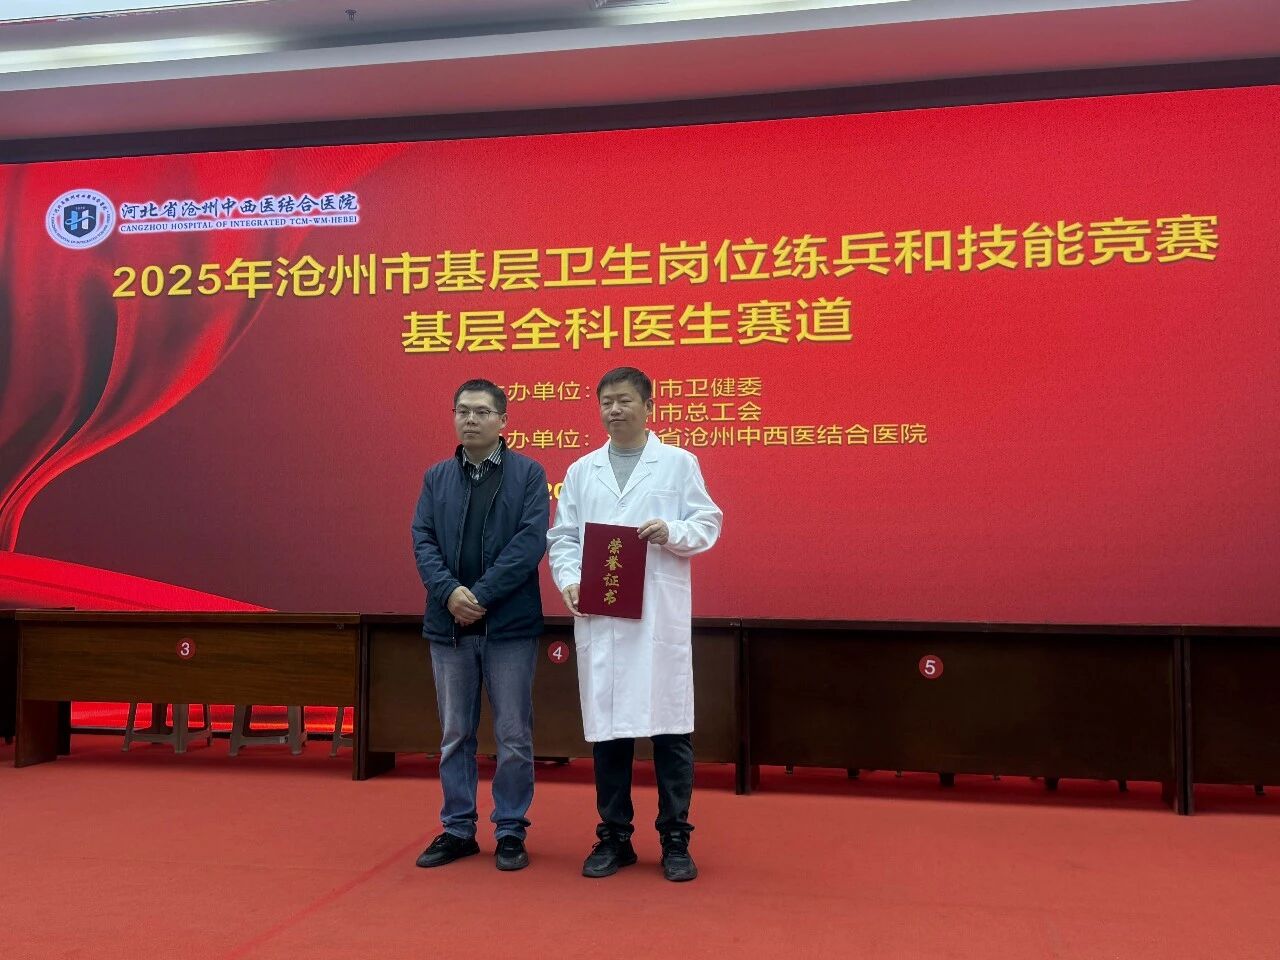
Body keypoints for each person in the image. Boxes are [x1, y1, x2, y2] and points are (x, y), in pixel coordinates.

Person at [547, 366, 722, 882]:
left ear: (649, 407)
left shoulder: (678, 463)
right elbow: (564, 538)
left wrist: (672, 531)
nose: (614, 410)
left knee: (670, 731)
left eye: (624, 400)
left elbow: (708, 522)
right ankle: (614, 837)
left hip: (656, 619)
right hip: (602, 617)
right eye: (606, 401)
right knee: (609, 732)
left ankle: (675, 839)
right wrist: (569, 580)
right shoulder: (582, 470)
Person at [411, 378, 550, 872]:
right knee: (455, 735)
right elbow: (423, 540)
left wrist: (480, 596)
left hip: (508, 626)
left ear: (503, 420)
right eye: (462, 411)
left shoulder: (528, 474)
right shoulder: (436, 477)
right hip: (448, 625)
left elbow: (530, 543)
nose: (470, 419)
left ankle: (510, 829)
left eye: (481, 411)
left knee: (513, 735)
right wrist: (450, 592)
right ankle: (458, 829)